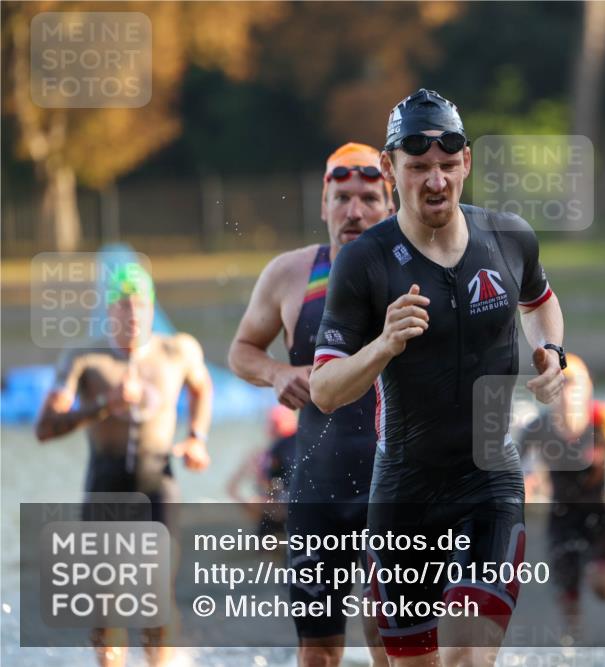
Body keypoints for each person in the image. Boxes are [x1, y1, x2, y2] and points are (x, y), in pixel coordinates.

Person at [309, 89, 566, 667]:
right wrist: (384, 343)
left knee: (468, 659)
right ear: (389, 169)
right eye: (418, 166)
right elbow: (325, 391)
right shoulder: (365, 262)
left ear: (467, 163)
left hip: (489, 482)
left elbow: (541, 302)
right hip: (404, 493)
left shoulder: (509, 236)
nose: (436, 181)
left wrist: (550, 350)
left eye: (448, 166)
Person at [228, 142, 394, 667]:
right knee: (318, 649)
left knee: (389, 630)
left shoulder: (416, 267)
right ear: (323, 204)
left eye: (369, 197)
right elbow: (241, 351)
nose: (355, 211)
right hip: (317, 484)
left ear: (390, 204)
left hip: (395, 481)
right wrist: (277, 372)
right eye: (342, 197)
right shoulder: (290, 274)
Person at [34, 262, 212, 667]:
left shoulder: (177, 350)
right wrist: (101, 406)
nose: (133, 317)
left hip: (158, 487)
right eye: (123, 308)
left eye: (141, 306)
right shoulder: (86, 360)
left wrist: (197, 438)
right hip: (105, 488)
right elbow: (44, 428)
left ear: (152, 308)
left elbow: (202, 387)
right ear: (108, 312)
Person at [516, 353, 605, 640]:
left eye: (576, 385)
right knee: (568, 601)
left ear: (588, 389)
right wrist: (524, 488)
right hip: (560, 518)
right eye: (563, 384)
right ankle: (576, 647)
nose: (569, 393)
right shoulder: (537, 429)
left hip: (599, 517)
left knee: (602, 587)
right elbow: (508, 472)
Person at [226, 404, 298, 538]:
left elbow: (231, 489)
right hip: (291, 511)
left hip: (282, 511)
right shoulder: (300, 446)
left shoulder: (268, 454)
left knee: (259, 501)